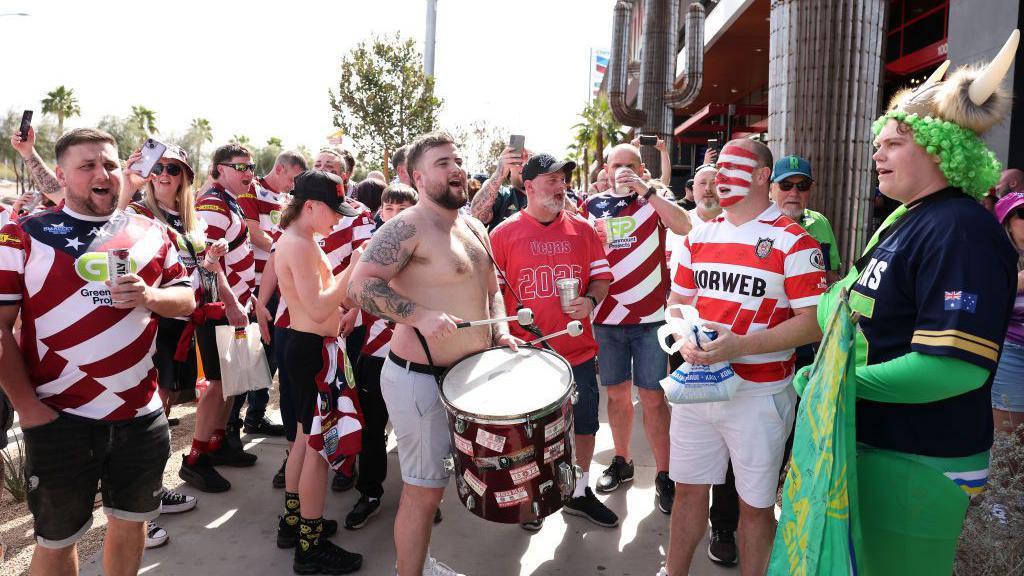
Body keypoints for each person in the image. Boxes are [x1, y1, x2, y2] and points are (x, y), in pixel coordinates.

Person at [790, 42, 1018, 575]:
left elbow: (952, 367)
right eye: (878, 143)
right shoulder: (905, 220)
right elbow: (837, 302)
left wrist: (837, 383)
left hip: (920, 459)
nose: (877, 154)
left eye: (894, 143)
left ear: (941, 149)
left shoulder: (961, 230)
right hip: (874, 446)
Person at [0, 128, 195, 575]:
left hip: (140, 415)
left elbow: (186, 299)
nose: (101, 174)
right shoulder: (24, 234)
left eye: (108, 164)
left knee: (130, 523)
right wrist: (29, 410)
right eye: (86, 166)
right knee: (57, 540)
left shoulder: (150, 232)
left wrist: (150, 296)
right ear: (62, 176)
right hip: (59, 419)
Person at [348, 131, 522, 576]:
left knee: (438, 489)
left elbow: (491, 291)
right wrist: (418, 314)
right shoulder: (405, 226)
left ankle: (418, 565)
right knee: (422, 491)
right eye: (443, 162)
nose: (456, 168)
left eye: (458, 160)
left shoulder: (474, 226)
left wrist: (500, 330)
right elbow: (361, 284)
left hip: (466, 380)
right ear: (418, 177)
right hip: (418, 378)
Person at [662, 138, 826, 576]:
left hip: (761, 394)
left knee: (755, 507)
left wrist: (740, 345)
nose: (719, 177)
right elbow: (677, 301)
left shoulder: (796, 242)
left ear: (759, 177)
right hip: (697, 387)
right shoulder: (698, 236)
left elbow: (814, 323)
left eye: (732, 167)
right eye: (717, 170)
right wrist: (685, 336)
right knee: (688, 491)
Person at [490, 153, 618, 531]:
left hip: (576, 351)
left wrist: (591, 300)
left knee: (584, 425)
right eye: (551, 179)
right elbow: (492, 293)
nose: (561, 185)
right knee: (529, 434)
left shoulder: (583, 230)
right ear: (527, 186)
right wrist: (501, 333)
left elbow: (602, 278)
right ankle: (534, 496)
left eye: (563, 179)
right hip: (525, 355)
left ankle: (578, 492)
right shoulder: (502, 234)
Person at [584, 143, 691, 515]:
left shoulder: (655, 198)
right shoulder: (592, 206)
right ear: (607, 168)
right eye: (618, 165)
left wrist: (647, 191)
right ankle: (622, 460)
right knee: (616, 396)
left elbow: (685, 225)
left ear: (642, 168)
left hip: (649, 321)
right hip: (607, 320)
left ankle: (665, 474)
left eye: (631, 165)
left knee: (652, 398)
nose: (624, 171)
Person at [273, 169, 363, 574]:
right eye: (333, 210)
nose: (338, 220)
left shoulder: (298, 241)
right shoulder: (300, 245)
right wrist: (354, 267)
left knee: (301, 440)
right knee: (316, 450)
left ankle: (295, 521)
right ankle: (309, 544)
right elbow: (318, 306)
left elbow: (316, 304)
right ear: (309, 206)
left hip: (306, 347)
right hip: (311, 353)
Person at [178, 143, 260, 493]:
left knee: (231, 380)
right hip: (219, 307)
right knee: (216, 383)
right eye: (240, 166)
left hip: (235, 303)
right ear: (218, 169)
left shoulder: (227, 200)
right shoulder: (212, 203)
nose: (248, 173)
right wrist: (231, 301)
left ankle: (216, 443)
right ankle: (195, 458)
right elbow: (207, 263)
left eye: (251, 166)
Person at [343, 183, 418, 530]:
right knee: (372, 429)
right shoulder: (365, 249)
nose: (395, 215)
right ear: (380, 212)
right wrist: (348, 310)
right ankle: (370, 492)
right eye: (389, 208)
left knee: (417, 430)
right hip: (374, 354)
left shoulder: (428, 253)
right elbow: (352, 292)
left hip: (418, 355)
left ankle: (425, 495)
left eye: (404, 208)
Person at [230, 151, 307, 438]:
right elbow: (254, 234)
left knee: (271, 356)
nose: (294, 185)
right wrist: (285, 246)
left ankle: (256, 416)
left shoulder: (287, 199)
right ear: (279, 168)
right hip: (255, 288)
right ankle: (231, 424)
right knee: (249, 355)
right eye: (293, 178)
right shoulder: (252, 191)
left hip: (279, 288)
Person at [770, 155, 842, 286]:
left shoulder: (820, 222)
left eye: (802, 186)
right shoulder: (756, 224)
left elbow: (831, 277)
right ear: (771, 189)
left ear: (811, 189)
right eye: (786, 185)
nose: (794, 193)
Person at [992, 192, 1024, 438]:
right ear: (1006, 222)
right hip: (1012, 351)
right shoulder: (993, 257)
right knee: (1010, 437)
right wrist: (1015, 284)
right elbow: (971, 301)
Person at [470, 143, 530, 230]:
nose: (524, 165)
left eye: (529, 160)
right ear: (510, 167)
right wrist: (500, 172)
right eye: (519, 160)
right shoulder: (503, 194)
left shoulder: (546, 196)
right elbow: (477, 217)